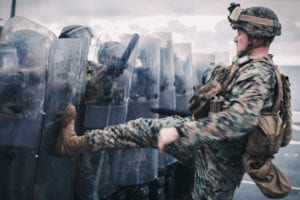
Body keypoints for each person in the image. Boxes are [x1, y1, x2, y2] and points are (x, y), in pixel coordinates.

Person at [56, 3, 283, 199]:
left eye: (240, 33)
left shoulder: (258, 73)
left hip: (223, 158)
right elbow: (214, 76)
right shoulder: (244, 67)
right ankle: (73, 143)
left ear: (255, 37)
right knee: (143, 128)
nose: (236, 37)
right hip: (209, 146)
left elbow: (238, 121)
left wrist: (180, 132)